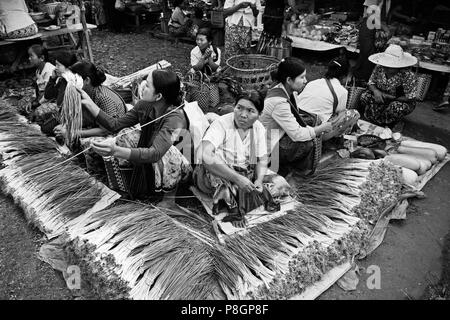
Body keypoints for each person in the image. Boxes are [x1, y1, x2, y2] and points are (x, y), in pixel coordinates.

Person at [80, 69, 192, 206]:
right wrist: (89, 103)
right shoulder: (144, 105)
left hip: (179, 168)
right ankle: (131, 187)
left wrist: (115, 150)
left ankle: (169, 200)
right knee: (126, 135)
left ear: (158, 96)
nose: (143, 86)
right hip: (152, 158)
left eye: (148, 85)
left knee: (168, 152)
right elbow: (115, 125)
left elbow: (155, 153)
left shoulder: (175, 118)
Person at [193, 90, 290, 227]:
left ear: (259, 114)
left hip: (245, 172)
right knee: (225, 187)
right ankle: (232, 200)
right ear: (235, 106)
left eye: (250, 111)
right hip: (218, 173)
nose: (243, 115)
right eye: (239, 108)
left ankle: (234, 198)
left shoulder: (258, 128)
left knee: (280, 183)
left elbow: (262, 159)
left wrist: (259, 180)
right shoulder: (221, 124)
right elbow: (204, 155)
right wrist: (237, 178)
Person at [259, 57, 332, 176]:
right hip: (265, 147)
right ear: (289, 80)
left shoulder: (286, 90)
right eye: (302, 77)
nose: (305, 81)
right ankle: (287, 170)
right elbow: (297, 134)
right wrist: (322, 128)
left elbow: (296, 117)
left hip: (276, 134)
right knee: (306, 144)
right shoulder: (278, 102)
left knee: (312, 121)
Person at [297, 57, 360, 141]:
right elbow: (339, 113)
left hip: (298, 122)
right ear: (344, 76)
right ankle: (333, 138)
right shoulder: (342, 91)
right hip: (316, 129)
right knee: (353, 114)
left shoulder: (313, 83)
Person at [359, 44, 418, 127]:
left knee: (396, 108)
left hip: (398, 100)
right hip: (380, 96)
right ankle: (377, 117)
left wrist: (389, 97)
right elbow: (371, 82)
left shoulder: (408, 75)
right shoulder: (380, 67)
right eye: (385, 65)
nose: (385, 68)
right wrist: (376, 91)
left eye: (389, 66)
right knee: (364, 96)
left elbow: (410, 98)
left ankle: (393, 122)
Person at [31, 51, 80, 135]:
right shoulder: (62, 79)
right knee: (42, 123)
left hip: (71, 115)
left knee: (45, 128)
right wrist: (53, 79)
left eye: (58, 65)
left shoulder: (72, 82)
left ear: (68, 67)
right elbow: (48, 95)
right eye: (55, 64)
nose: (55, 68)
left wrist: (64, 124)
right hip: (61, 112)